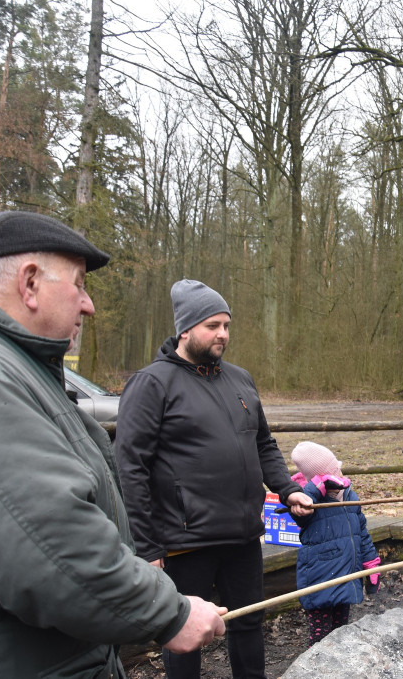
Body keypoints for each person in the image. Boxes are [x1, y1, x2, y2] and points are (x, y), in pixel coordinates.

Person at [0, 211, 226, 676]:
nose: (89, 305)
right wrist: (169, 611)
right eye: (80, 284)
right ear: (29, 283)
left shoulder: (9, 368)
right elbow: (50, 547)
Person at [115, 279, 313, 679]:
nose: (223, 333)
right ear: (185, 329)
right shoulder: (153, 383)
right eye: (212, 325)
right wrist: (146, 545)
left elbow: (264, 444)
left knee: (249, 623)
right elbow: (130, 466)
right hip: (186, 542)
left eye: (226, 325)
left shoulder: (240, 379)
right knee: (184, 636)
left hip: (242, 536)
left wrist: (288, 489)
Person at [289, 441, 380, 645]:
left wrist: (371, 563)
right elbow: (300, 517)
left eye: (337, 467)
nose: (339, 473)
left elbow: (361, 531)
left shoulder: (348, 495)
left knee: (341, 634)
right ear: (319, 476)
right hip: (320, 578)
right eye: (333, 470)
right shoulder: (305, 499)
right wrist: (315, 489)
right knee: (321, 637)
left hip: (346, 575)